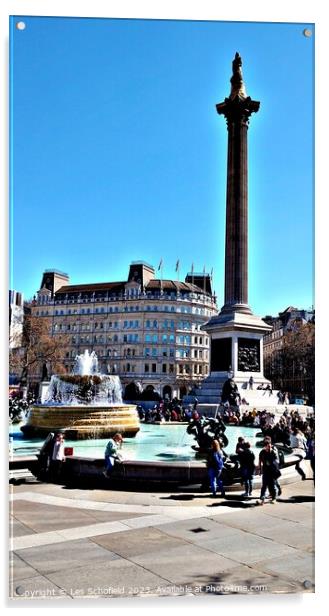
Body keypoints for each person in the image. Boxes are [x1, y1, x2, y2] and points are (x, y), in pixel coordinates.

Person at [257, 437, 281, 505]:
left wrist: (272, 463)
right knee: (264, 485)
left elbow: (277, 461)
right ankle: (262, 499)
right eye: (267, 446)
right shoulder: (262, 452)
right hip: (265, 471)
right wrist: (259, 469)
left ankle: (274, 498)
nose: (269, 446)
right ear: (265, 446)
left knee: (272, 485)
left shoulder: (273, 452)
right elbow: (260, 460)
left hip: (272, 471)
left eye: (270, 445)